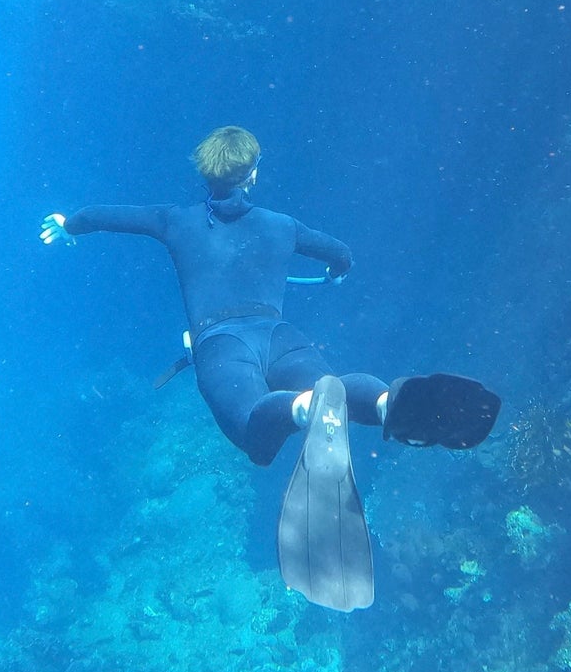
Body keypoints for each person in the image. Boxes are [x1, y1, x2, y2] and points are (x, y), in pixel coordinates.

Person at [40, 125, 499, 612]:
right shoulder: (283, 225)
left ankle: (302, 409)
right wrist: (336, 272)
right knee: (337, 390)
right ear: (253, 174)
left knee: (254, 434)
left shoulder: (174, 220)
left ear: (205, 173)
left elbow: (105, 216)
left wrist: (68, 224)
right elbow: (341, 253)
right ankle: (388, 402)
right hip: (281, 336)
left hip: (222, 344)